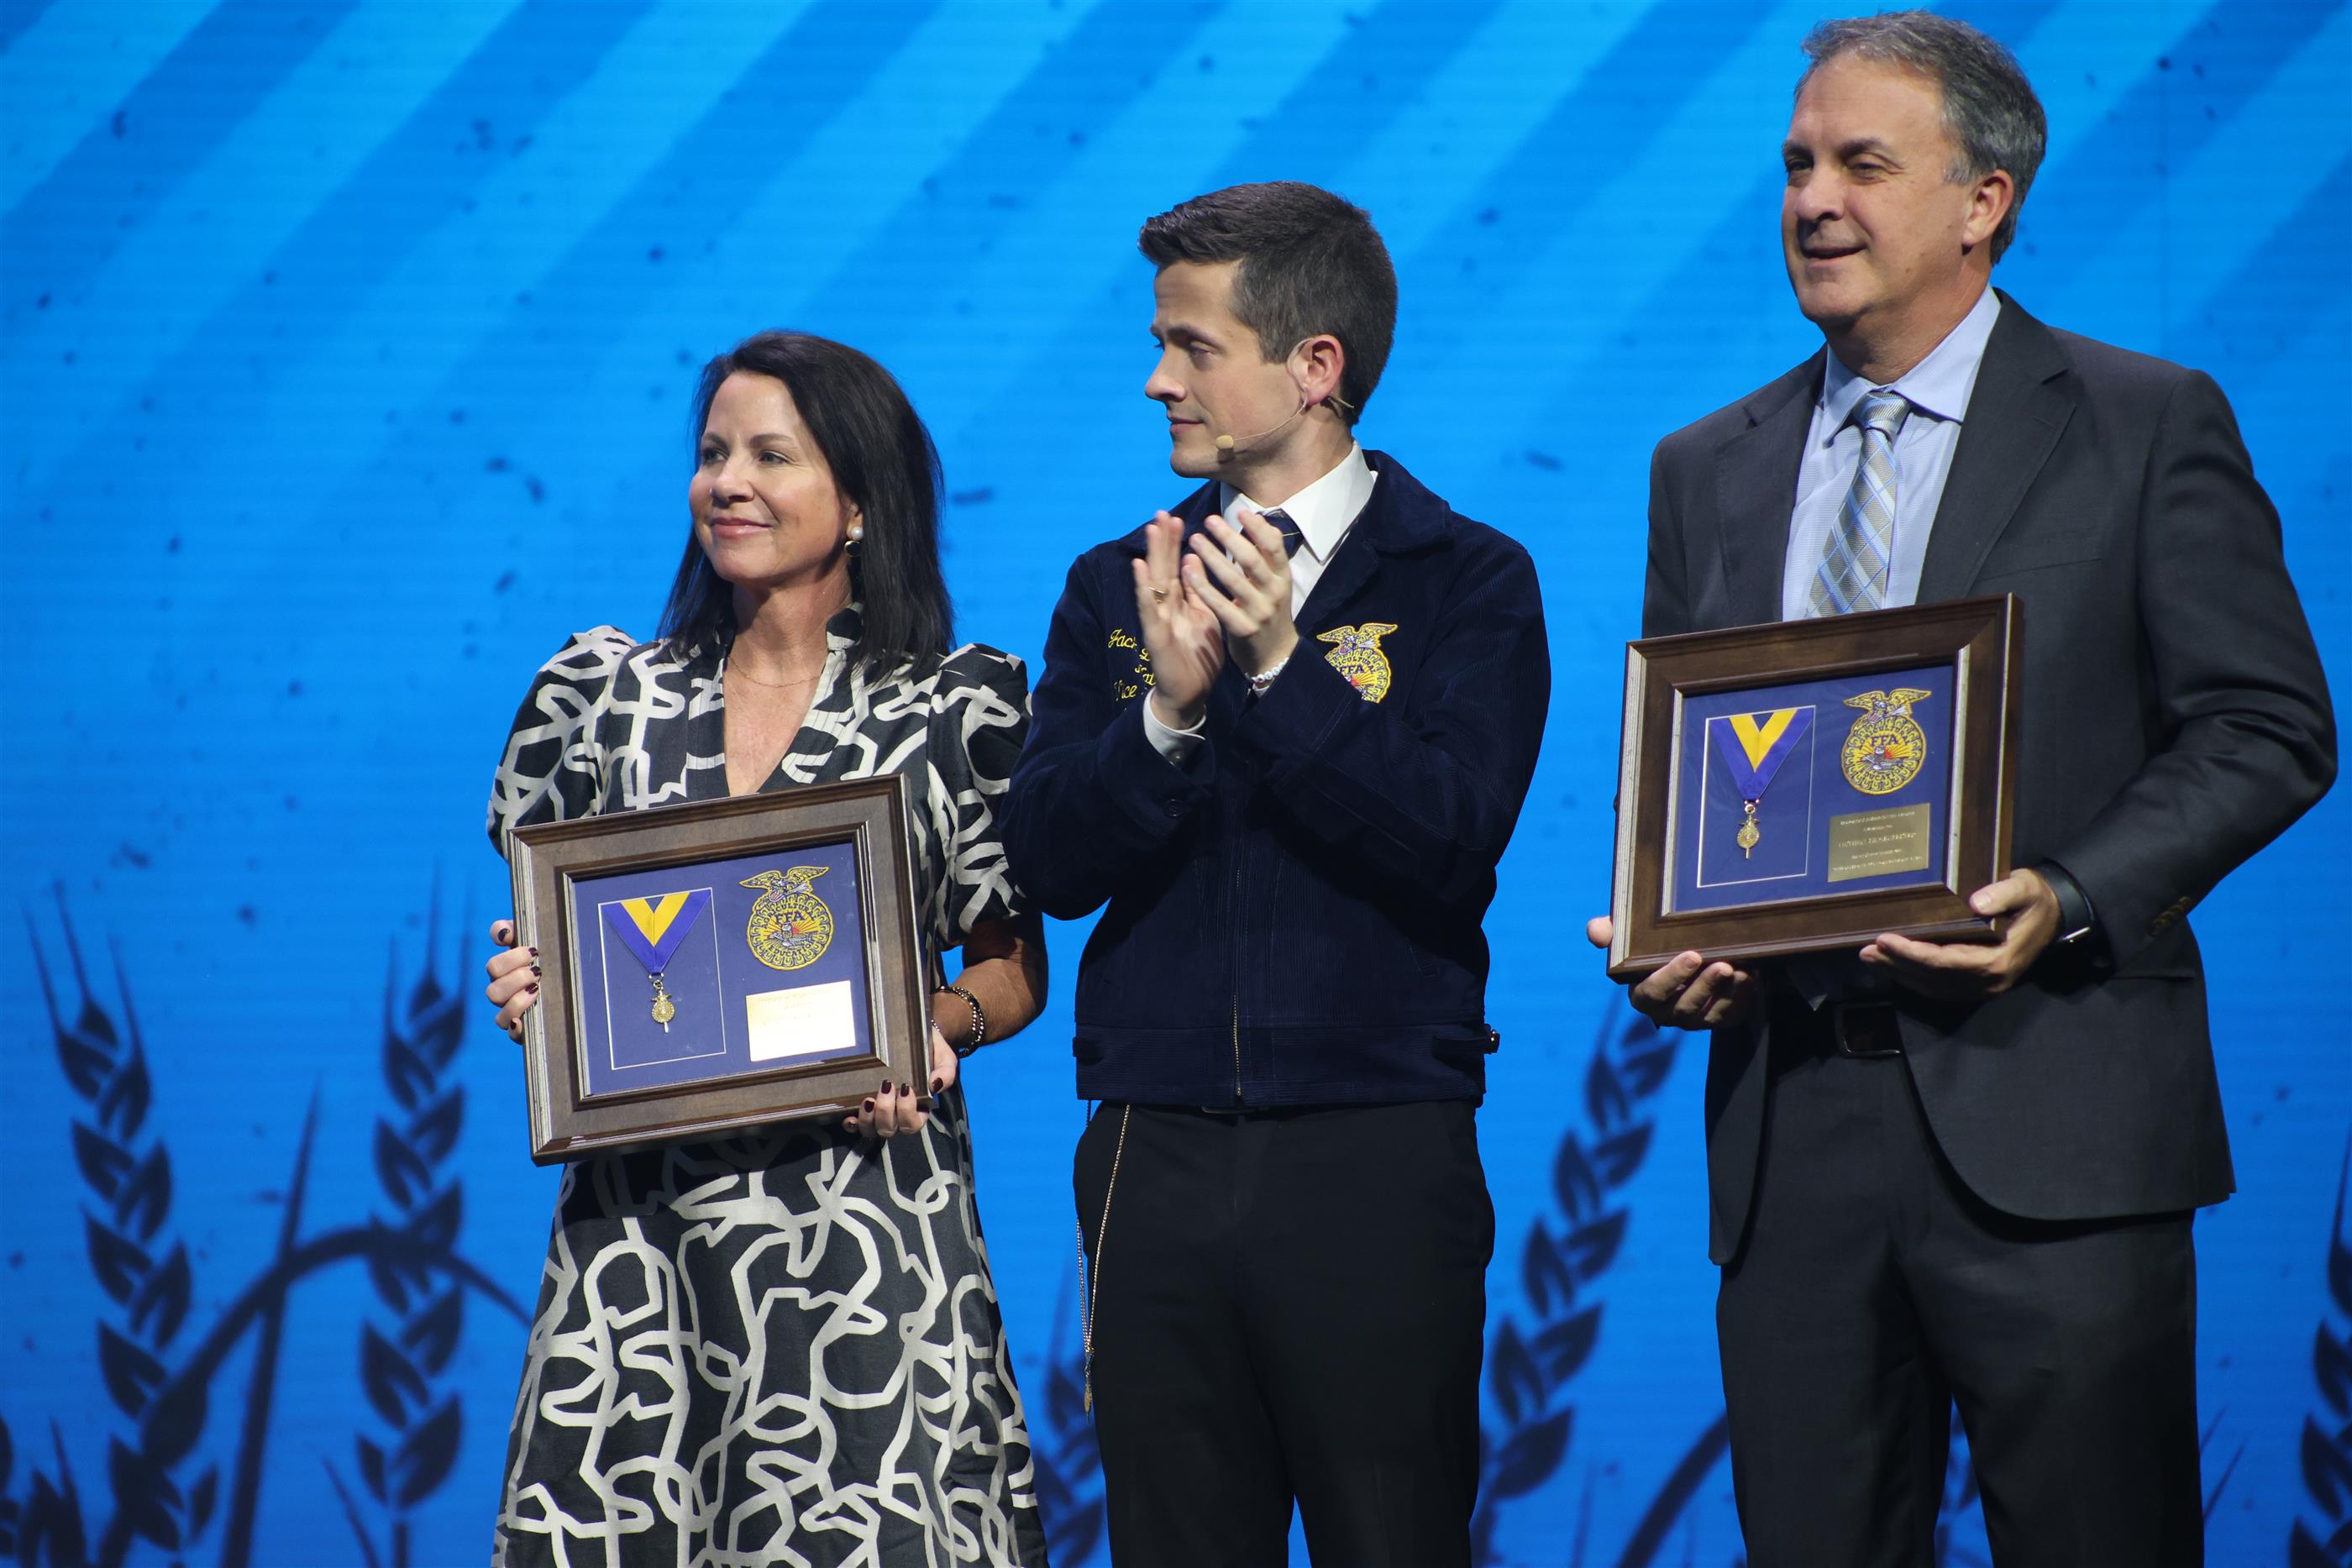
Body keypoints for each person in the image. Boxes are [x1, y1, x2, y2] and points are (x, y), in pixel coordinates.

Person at [1589, 14, 2335, 1565]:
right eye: (1797, 163)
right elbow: (1692, 769)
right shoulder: (1703, 465)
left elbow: (2268, 726)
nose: (1813, 200)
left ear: (1984, 199)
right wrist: (1669, 938)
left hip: (2055, 1118)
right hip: (1794, 1138)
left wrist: (2068, 894)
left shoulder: (2144, 421)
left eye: (1863, 163)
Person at [1000, 181, 1549, 1567]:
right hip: (1155, 1146)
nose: (1157, 379)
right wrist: (1167, 719)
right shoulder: (1117, 584)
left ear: (1315, 367)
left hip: (1377, 1143)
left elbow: (1450, 837)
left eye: (1192, 346)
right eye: (1160, 342)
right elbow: (1049, 859)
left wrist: (1283, 672)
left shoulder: (1465, 579)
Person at [480, 330, 1051, 1567]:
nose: (727, 483)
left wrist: (932, 1030)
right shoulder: (609, 698)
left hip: (865, 1240)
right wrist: (540, 992)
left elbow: (1013, 968)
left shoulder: (951, 706)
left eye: (771, 456)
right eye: (712, 453)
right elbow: (567, 941)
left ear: (861, 501)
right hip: (643, 1252)